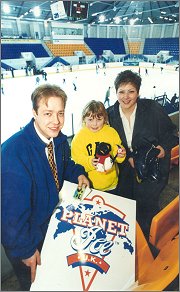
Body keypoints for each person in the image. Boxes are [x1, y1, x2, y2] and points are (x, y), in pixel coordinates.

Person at [1, 84, 90, 291]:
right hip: (25, 240)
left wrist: (77, 172)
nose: (56, 121)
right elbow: (9, 217)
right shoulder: (13, 154)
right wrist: (26, 250)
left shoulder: (57, 139)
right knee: (35, 286)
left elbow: (63, 165)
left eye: (60, 113)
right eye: (48, 113)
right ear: (34, 113)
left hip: (48, 228)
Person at [107, 70, 178, 238]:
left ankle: (150, 241)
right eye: (121, 92)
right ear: (115, 92)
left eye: (131, 91)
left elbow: (171, 133)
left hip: (150, 170)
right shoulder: (109, 114)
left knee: (148, 208)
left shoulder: (152, 108)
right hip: (124, 172)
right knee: (125, 211)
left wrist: (163, 148)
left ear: (138, 92)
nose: (126, 97)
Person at [71, 100, 126, 194]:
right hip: (86, 185)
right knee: (83, 207)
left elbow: (117, 153)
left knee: (110, 207)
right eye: (90, 119)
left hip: (111, 184)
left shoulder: (111, 132)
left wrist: (121, 154)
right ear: (84, 119)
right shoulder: (79, 137)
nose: (95, 124)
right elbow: (76, 160)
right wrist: (89, 162)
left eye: (99, 119)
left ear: (104, 118)